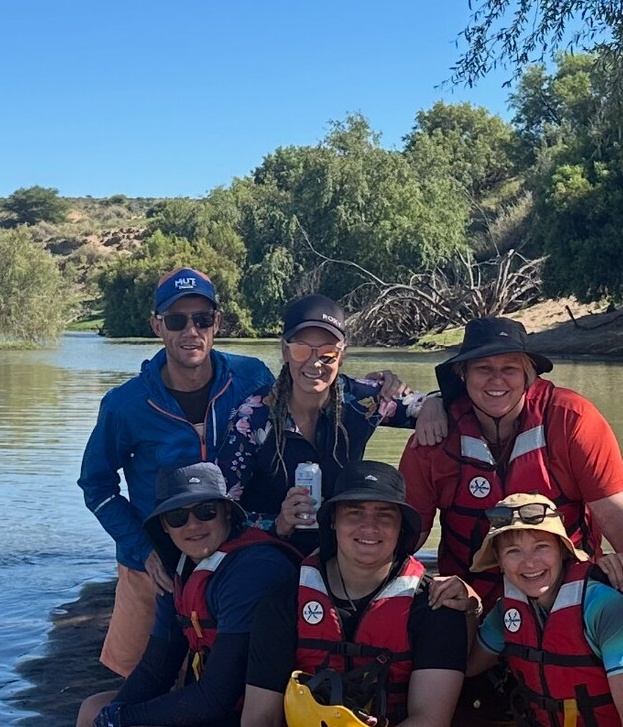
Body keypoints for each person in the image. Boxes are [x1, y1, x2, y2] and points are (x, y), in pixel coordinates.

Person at [79, 267, 276, 676]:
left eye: (202, 319)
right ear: (157, 325)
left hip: (234, 556)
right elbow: (96, 484)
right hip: (153, 564)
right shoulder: (125, 404)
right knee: (139, 682)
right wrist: (143, 550)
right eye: (176, 320)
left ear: (217, 323)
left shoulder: (252, 377)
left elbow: (314, 396)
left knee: (229, 680)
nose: (191, 331)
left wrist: (392, 393)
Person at [399, 316, 623, 608]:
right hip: (469, 603)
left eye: (510, 369)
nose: (497, 380)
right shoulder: (433, 437)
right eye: (483, 369)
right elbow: (407, 534)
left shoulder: (572, 419)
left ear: (529, 375)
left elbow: (615, 513)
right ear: (462, 374)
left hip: (570, 600)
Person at [240, 460, 468, 727]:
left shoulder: (433, 606)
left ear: (401, 527)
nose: (369, 527)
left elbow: (430, 719)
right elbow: (259, 717)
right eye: (355, 512)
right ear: (333, 521)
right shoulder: (285, 600)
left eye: (384, 514)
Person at [216, 293, 442, 557]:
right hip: (270, 552)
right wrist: (277, 523)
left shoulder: (363, 400)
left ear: (342, 355)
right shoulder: (251, 417)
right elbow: (223, 511)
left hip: (342, 555)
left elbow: (426, 405)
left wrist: (434, 402)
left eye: (327, 353)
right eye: (301, 350)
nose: (314, 363)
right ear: (285, 351)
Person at [77, 462, 300, 727]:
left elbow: (217, 697)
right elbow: (155, 670)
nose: (193, 525)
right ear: (164, 525)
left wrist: (121, 719)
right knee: (94, 709)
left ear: (227, 512)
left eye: (206, 512)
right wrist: (113, 714)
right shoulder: (178, 569)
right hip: (216, 702)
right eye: (178, 517)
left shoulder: (253, 570)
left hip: (261, 713)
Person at [454, 492, 623, 727]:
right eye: (513, 551)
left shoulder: (604, 609)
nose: (529, 563)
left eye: (541, 547)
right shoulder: (506, 613)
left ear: (563, 551)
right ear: (499, 562)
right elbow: (467, 667)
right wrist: (471, 607)